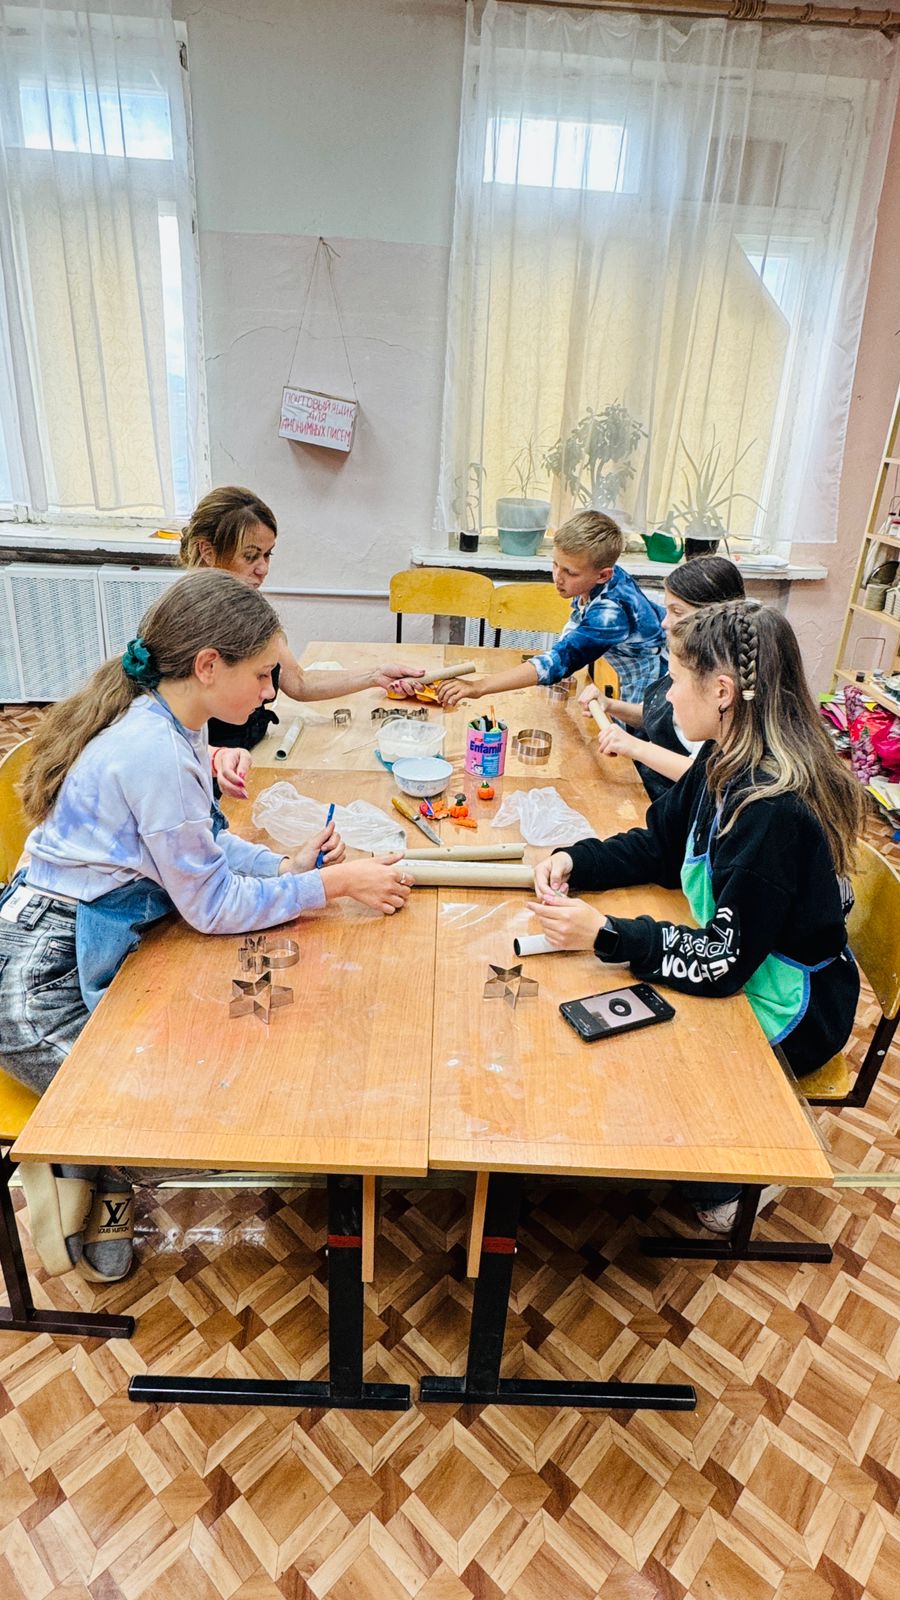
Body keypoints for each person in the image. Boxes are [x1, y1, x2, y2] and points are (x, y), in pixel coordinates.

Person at [0, 570, 411, 1283]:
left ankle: (97, 1156)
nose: (272, 692)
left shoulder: (176, 723)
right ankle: (84, 1165)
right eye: (263, 674)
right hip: (31, 985)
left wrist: (282, 866)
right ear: (209, 665)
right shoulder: (154, 751)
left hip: (80, 937)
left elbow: (204, 845)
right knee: (175, 1114)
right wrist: (331, 885)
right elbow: (212, 907)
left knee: (190, 1067)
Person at [529, 600, 863, 1235]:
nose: (669, 692)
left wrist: (607, 934)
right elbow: (659, 847)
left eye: (678, 677)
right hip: (744, 958)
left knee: (656, 1058)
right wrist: (574, 859)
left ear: (723, 691)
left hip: (792, 1001)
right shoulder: (721, 759)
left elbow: (721, 966)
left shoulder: (770, 812)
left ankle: (750, 1162)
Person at [179, 487, 423, 773]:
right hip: (211, 770)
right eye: (250, 556)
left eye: (267, 555)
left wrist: (375, 675)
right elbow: (170, 734)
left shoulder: (251, 610)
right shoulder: (184, 624)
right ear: (208, 551)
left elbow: (297, 681)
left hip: (252, 754)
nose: (263, 569)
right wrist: (215, 758)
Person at [432, 512, 666, 710]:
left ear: (604, 575)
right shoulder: (595, 577)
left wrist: (479, 687)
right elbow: (573, 633)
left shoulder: (610, 613)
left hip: (646, 682)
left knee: (631, 741)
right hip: (622, 670)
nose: (558, 578)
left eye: (570, 572)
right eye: (555, 564)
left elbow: (558, 662)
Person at [582, 555, 746, 800]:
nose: (664, 623)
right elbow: (663, 717)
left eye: (677, 612)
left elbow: (707, 776)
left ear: (712, 617)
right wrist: (611, 706)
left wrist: (633, 746)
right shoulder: (686, 660)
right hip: (646, 782)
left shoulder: (719, 686)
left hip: (673, 799)